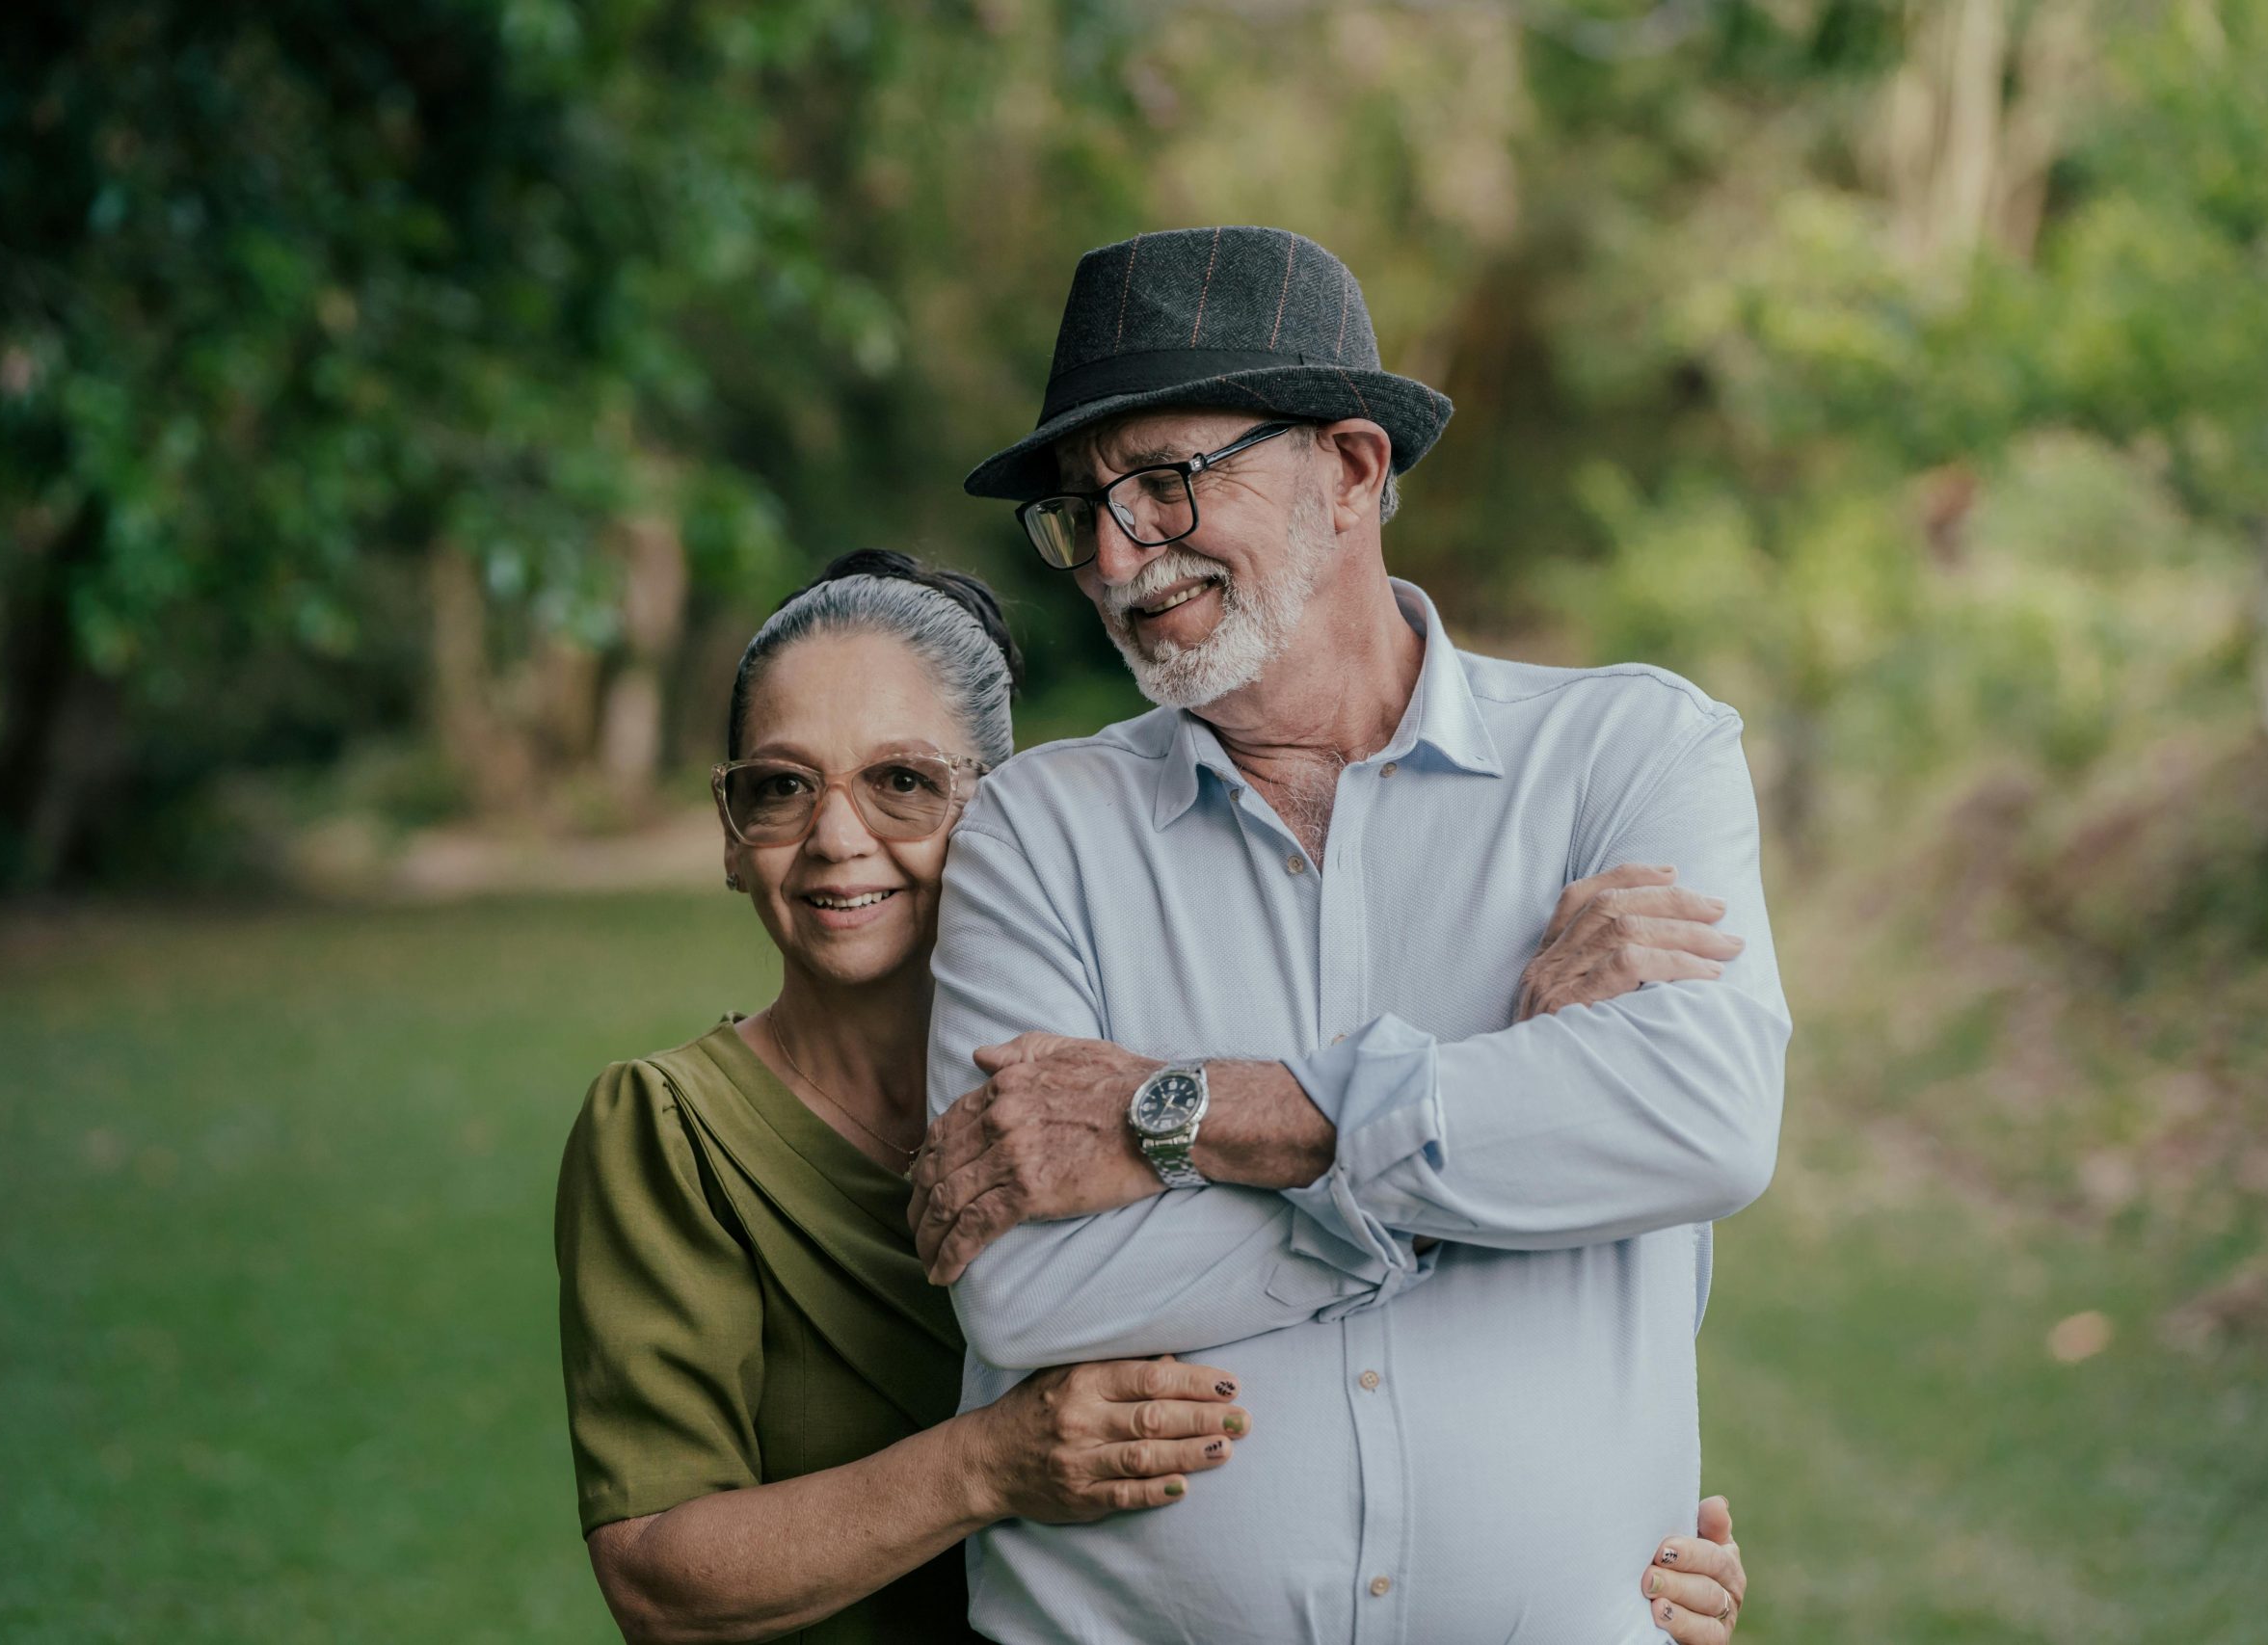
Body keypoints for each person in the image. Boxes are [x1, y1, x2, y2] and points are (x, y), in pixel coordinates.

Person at [553, 549, 1749, 1642]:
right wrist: (988, 1467)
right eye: (777, 790)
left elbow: (1520, 1297)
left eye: (904, 783)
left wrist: (1603, 1548)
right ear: (727, 833)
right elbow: (657, 1576)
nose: (836, 838)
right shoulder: (673, 1132)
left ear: (992, 813)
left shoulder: (1150, 1036)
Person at [911, 226, 1787, 1644]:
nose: (1119, 551)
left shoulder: (1630, 751)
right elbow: (1026, 1282)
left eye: (1169, 480)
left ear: (1355, 468)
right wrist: (1503, 1094)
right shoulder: (1036, 831)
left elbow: (1702, 1125)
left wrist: (1181, 1116)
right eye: (1082, 507)